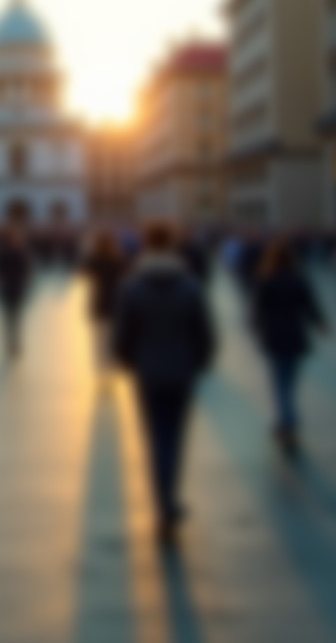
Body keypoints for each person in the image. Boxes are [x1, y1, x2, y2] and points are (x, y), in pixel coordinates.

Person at [114, 222, 216, 542]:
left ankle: (162, 504)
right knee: (175, 437)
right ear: (172, 246)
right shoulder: (190, 285)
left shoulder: (132, 287)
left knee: (155, 439)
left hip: (148, 373)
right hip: (182, 371)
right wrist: (198, 362)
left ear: (145, 245)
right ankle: (170, 499)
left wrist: (131, 362)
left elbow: (122, 338)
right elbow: (205, 334)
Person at [250, 239, 327, 451]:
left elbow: (258, 310)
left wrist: (256, 329)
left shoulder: (266, 280)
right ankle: (287, 420)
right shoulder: (298, 279)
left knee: (279, 383)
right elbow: (310, 305)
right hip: (295, 334)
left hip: (274, 335)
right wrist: (321, 323)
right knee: (290, 383)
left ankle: (286, 423)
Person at [82, 230, 129, 377]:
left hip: (98, 302)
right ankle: (110, 366)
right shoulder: (118, 261)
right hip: (115, 303)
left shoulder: (94, 261)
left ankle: (100, 367)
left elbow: (84, 272)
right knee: (112, 337)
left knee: (99, 339)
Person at [0, 225, 34, 360]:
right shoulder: (17, 253)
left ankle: (12, 342)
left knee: (10, 318)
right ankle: (13, 342)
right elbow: (26, 272)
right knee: (14, 317)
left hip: (10, 288)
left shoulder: (4, 253)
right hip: (14, 288)